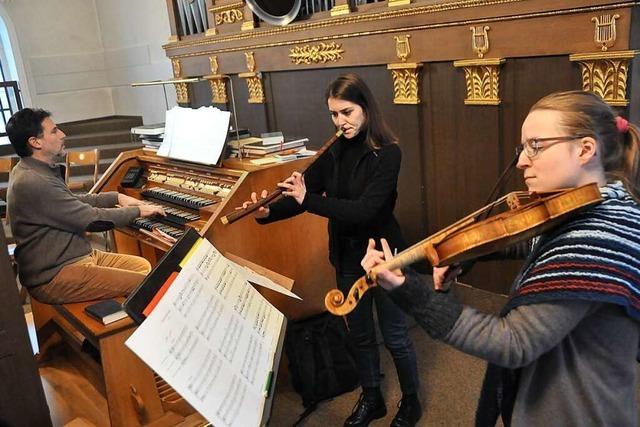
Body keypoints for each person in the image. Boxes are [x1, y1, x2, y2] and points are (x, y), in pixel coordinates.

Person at [362, 90, 640, 426]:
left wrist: (411, 293)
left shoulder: (597, 245)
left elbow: (513, 343)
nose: (522, 160)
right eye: (522, 147)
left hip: (575, 413)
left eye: (535, 145)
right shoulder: (600, 209)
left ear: (584, 149)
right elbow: (537, 241)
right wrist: (472, 251)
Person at [242, 73, 422, 426]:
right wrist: (267, 212)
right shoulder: (334, 150)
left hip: (386, 255)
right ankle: (372, 399)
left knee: (396, 335)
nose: (341, 122)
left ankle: (411, 400)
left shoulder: (388, 154)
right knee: (360, 333)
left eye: (347, 112)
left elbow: (366, 210)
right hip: (347, 255)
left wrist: (309, 200)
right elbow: (301, 197)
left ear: (366, 108)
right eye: (334, 115)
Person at [6, 107, 165, 304]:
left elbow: (73, 202)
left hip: (75, 257)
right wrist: (138, 211)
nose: (63, 135)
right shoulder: (33, 181)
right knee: (148, 285)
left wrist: (116, 197)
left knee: (142, 266)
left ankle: (123, 323)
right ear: (35, 142)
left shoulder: (32, 169)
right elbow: (92, 219)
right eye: (54, 131)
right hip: (55, 274)